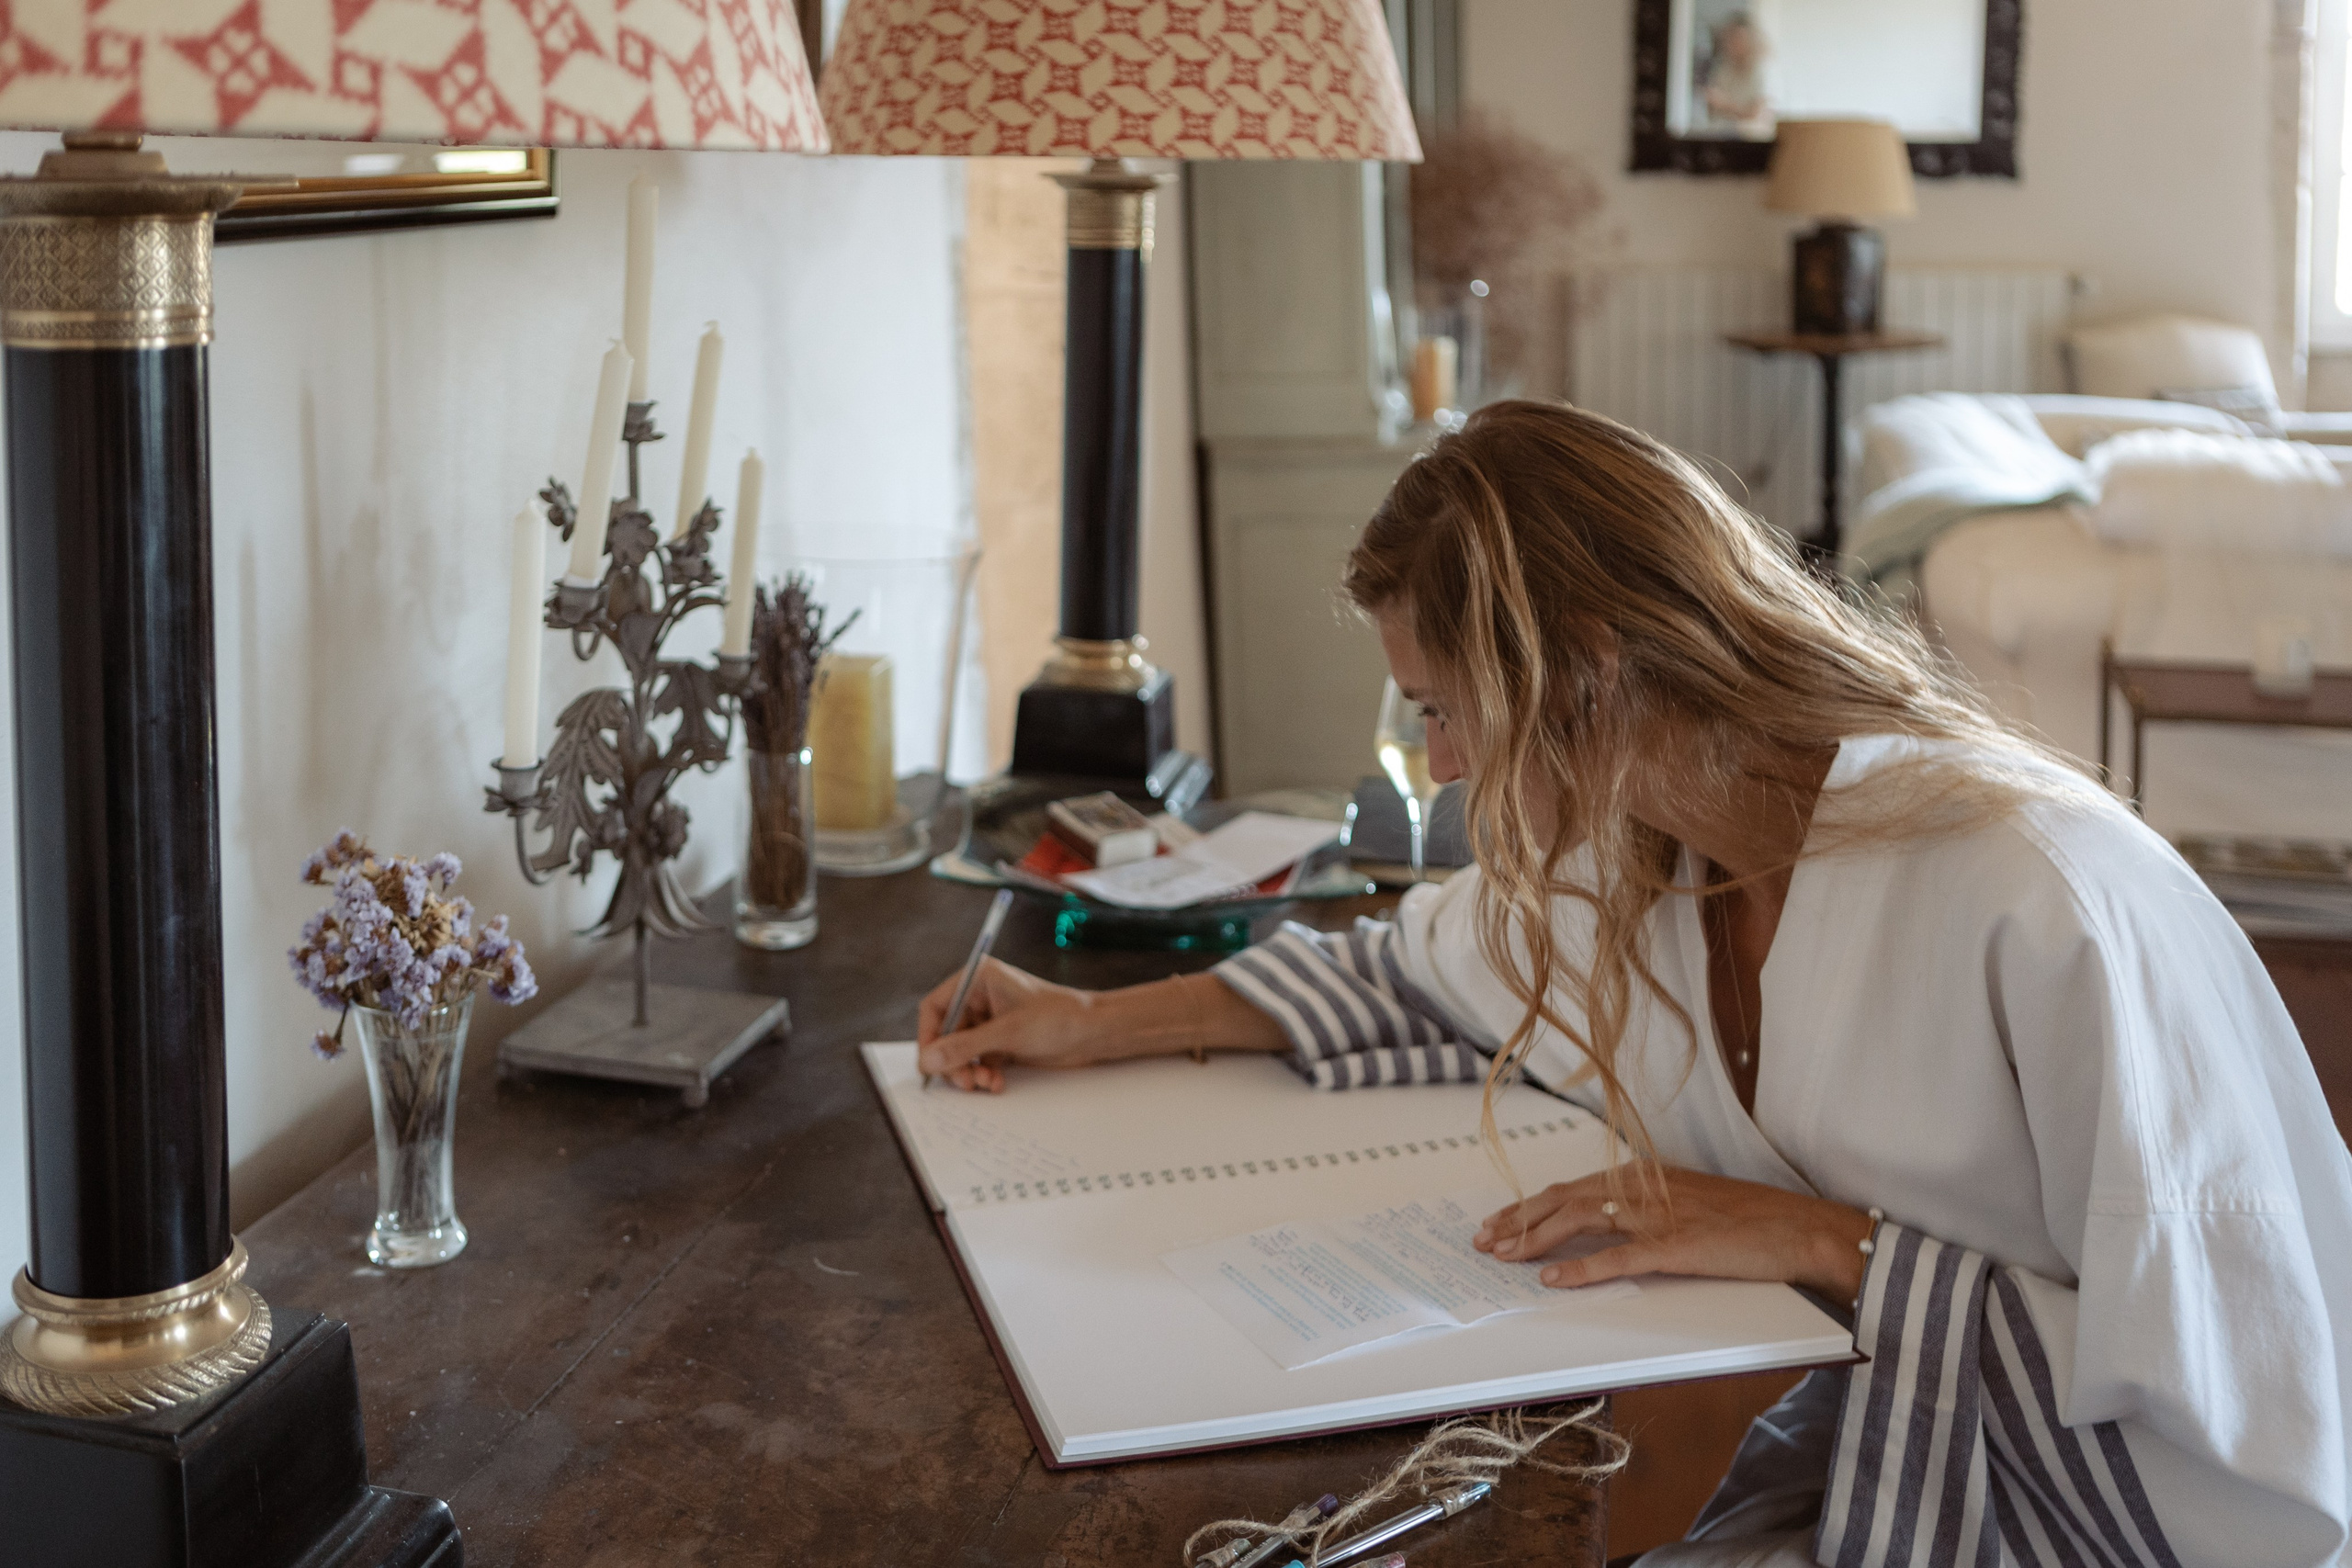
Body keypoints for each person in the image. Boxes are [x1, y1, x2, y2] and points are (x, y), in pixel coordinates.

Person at [916, 401, 2352, 1568]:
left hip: (2094, 1529)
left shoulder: (2044, 895)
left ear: (1586, 666)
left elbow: (2239, 1409)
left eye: (1443, 709)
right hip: (1885, 1476)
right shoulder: (1640, 856)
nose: (1446, 765)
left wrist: (1815, 1240)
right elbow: (1411, 971)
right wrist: (1089, 1022)